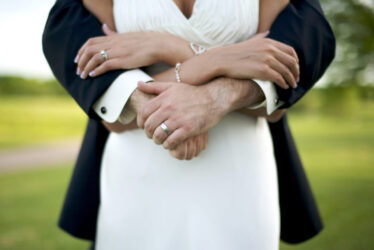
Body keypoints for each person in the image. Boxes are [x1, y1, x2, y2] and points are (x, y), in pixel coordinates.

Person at [42, 0, 335, 249]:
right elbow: (114, 118)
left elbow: (274, 105)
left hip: (240, 174)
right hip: (135, 172)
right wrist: (212, 60)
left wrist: (171, 54)